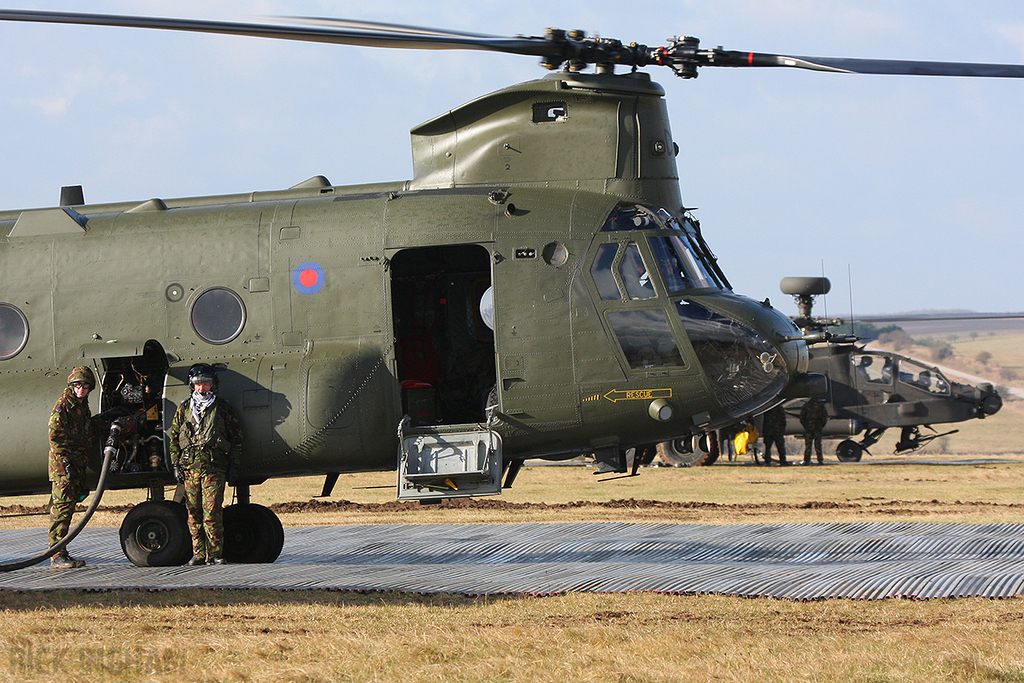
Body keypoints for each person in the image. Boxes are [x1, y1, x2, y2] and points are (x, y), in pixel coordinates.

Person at [169, 363, 242, 566]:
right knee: (193, 513)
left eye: (206, 384)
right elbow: (174, 438)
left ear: (213, 385)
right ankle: (199, 554)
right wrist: (176, 464)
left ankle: (215, 554)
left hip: (214, 469)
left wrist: (234, 465)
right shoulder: (184, 409)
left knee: (212, 512)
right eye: (198, 384)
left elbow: (237, 438)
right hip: (190, 470)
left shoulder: (222, 408)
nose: (201, 388)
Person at [47, 366, 102, 568]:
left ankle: (61, 551)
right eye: (77, 385)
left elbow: (85, 431)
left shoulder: (80, 406)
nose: (81, 389)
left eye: (85, 386)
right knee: (61, 510)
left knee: (68, 509)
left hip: (75, 466)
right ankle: (56, 555)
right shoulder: (64, 406)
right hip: (63, 469)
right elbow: (54, 436)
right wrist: (66, 462)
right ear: (72, 386)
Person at [799, 398, 830, 465]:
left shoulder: (806, 405)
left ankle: (807, 460)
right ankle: (820, 460)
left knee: (808, 445)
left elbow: (802, 417)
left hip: (808, 428)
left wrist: (806, 426)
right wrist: (821, 426)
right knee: (818, 445)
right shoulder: (821, 406)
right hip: (817, 428)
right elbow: (824, 417)